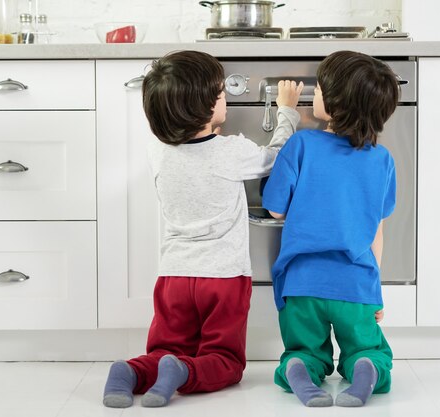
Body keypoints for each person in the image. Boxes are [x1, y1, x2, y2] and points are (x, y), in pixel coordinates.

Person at [102, 50, 304, 408]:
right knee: (224, 360)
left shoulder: (158, 151)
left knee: (166, 348)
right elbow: (278, 155)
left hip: (174, 278)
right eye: (222, 96)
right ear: (208, 110)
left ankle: (130, 372)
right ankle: (181, 373)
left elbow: (193, 151)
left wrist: (208, 129)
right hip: (223, 279)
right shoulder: (232, 151)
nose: (225, 99)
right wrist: (287, 110)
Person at [261, 50, 399, 408]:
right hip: (354, 284)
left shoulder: (301, 144)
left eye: (319, 89)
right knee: (367, 347)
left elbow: (275, 210)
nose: (314, 94)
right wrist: (374, 291)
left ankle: (298, 368)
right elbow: (375, 234)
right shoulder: (382, 159)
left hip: (302, 283)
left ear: (336, 103)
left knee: (304, 349)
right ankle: (366, 368)